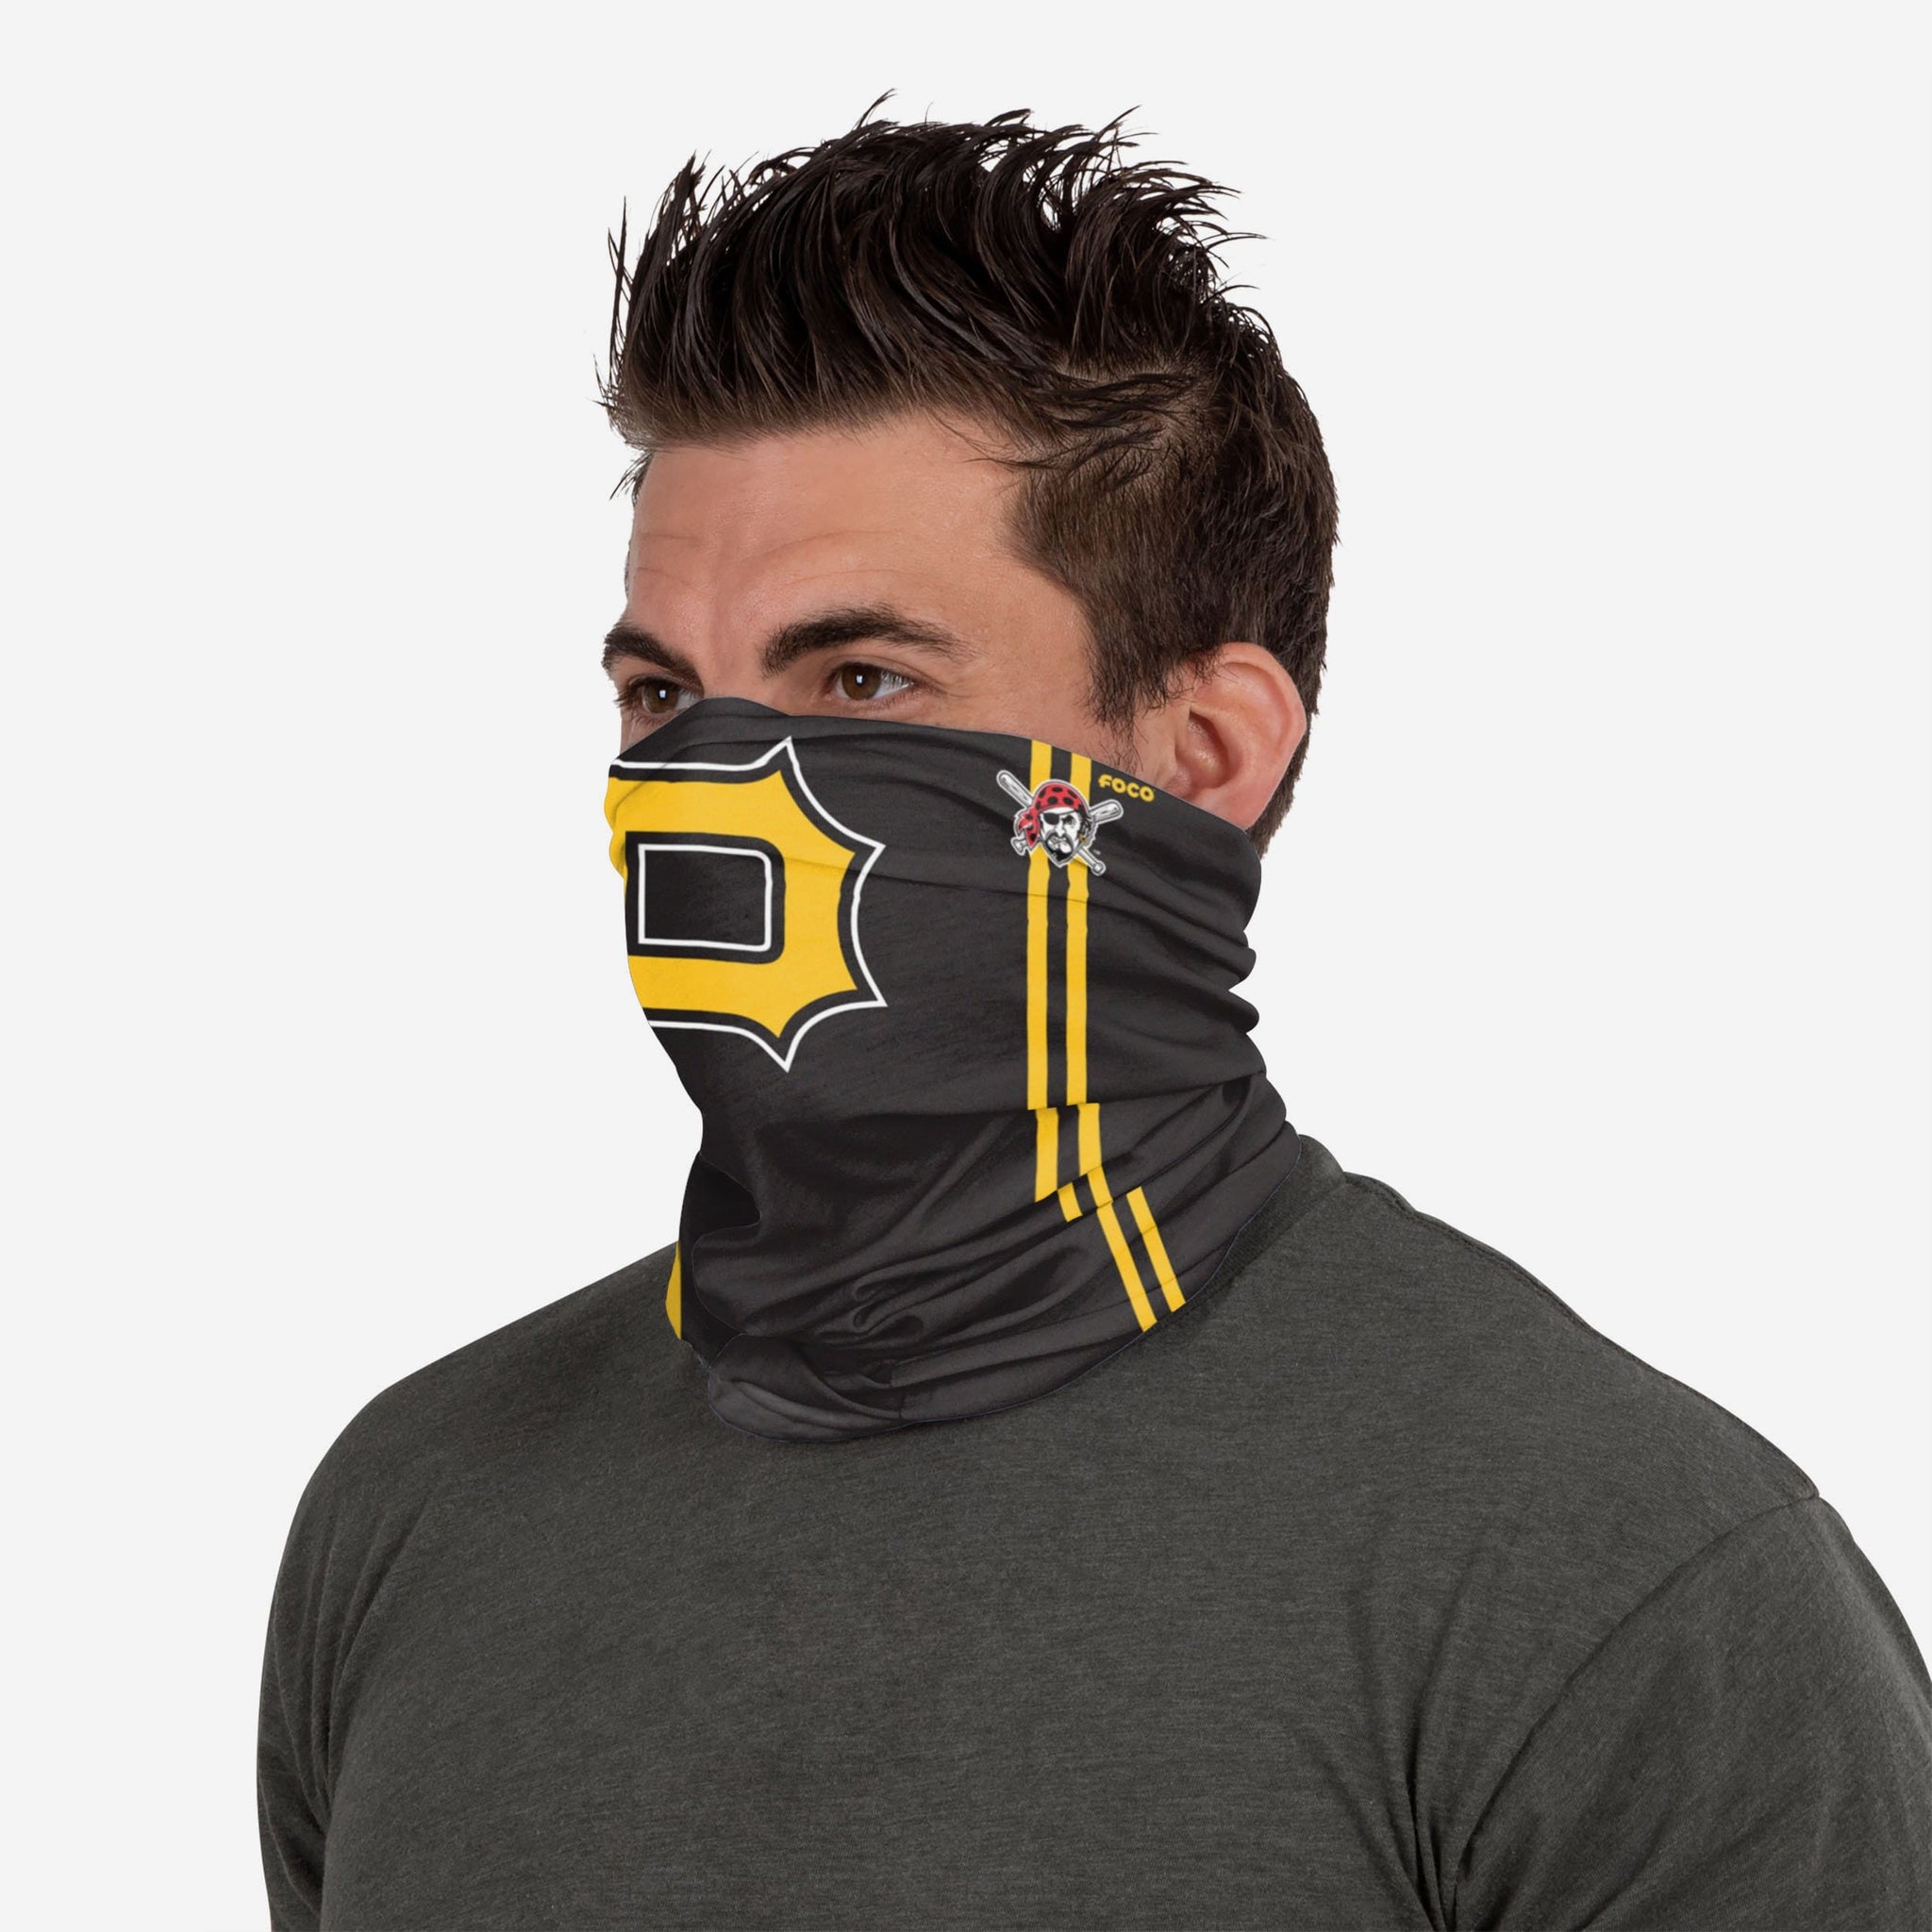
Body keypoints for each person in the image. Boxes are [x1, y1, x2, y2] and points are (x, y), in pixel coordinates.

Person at [257, 106, 1932, 1930]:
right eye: (664, 697)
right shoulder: (414, 1513)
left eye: (863, 680)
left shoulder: (1617, 1589)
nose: (716, 789)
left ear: (1202, 753)